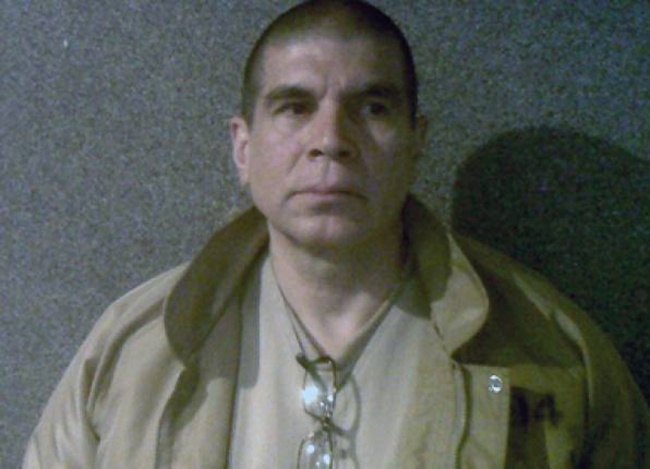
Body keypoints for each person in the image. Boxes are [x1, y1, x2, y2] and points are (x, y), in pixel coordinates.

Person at [23, 1, 649, 467]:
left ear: (416, 141)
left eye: (372, 107)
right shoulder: (135, 350)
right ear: (243, 148)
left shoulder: (552, 354)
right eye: (294, 107)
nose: (331, 140)